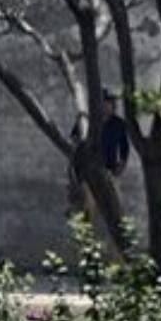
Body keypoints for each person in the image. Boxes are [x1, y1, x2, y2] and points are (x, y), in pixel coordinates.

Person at [67, 88, 129, 223]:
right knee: (87, 207)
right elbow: (74, 142)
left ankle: (120, 238)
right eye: (106, 102)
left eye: (111, 102)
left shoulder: (118, 123)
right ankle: (86, 238)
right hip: (89, 172)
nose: (109, 105)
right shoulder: (87, 121)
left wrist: (121, 166)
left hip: (109, 171)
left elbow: (124, 148)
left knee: (117, 207)